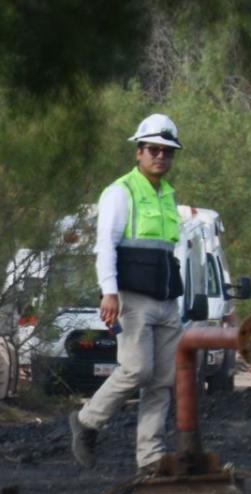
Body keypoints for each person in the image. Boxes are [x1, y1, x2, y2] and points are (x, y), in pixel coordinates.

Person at [68, 114, 186, 471]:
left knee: (163, 381)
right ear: (138, 152)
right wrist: (109, 293)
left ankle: (149, 457)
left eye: (167, 151)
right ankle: (87, 421)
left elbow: (168, 249)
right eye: (153, 149)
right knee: (136, 370)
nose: (160, 157)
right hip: (132, 298)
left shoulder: (167, 195)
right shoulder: (121, 191)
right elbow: (106, 245)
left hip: (167, 300)